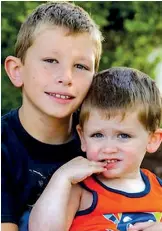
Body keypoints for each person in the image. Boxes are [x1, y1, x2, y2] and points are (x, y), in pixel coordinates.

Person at [1, 2, 103, 231]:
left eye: (80, 66)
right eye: (50, 61)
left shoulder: (102, 140)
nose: (66, 77)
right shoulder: (4, 148)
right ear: (17, 71)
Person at [30, 67, 162, 231]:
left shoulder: (159, 189)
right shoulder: (80, 189)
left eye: (123, 136)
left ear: (152, 140)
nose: (108, 148)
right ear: (83, 137)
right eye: (97, 135)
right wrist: (61, 179)